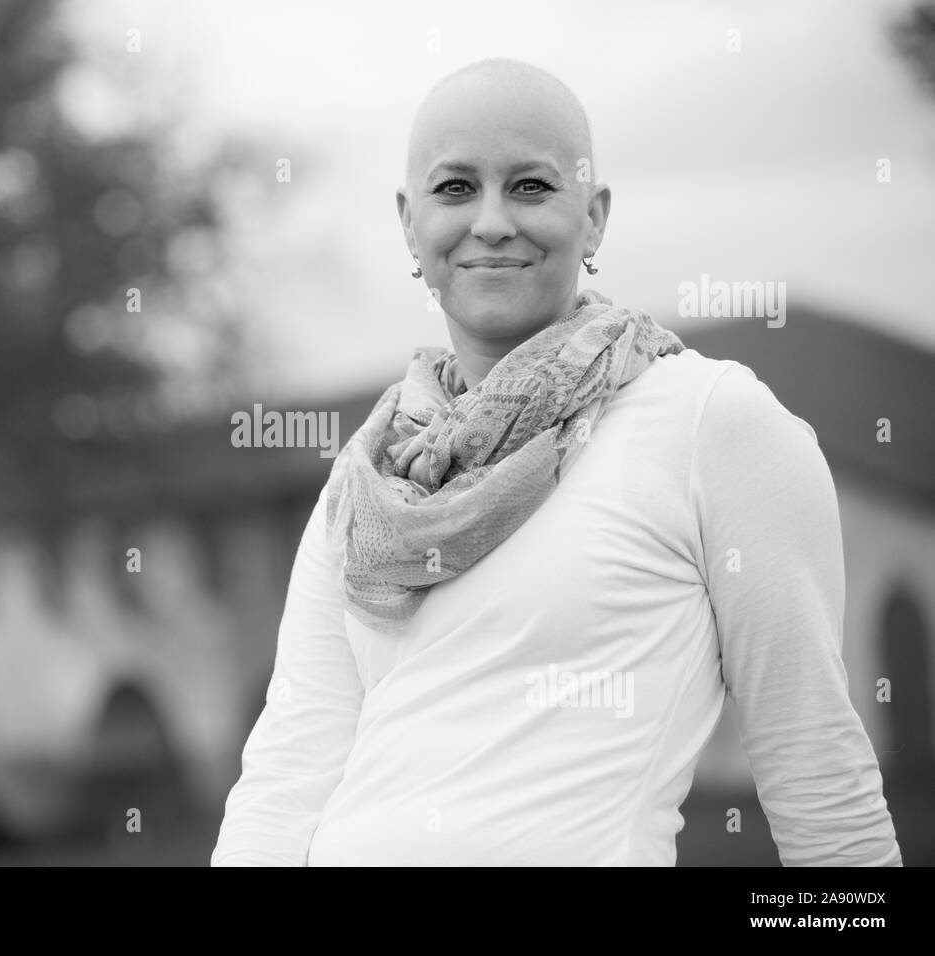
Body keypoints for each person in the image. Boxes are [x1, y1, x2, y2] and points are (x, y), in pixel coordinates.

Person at [210, 58, 903, 866]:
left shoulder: (712, 424)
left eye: (532, 186)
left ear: (596, 216)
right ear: (409, 222)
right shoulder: (368, 478)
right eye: (455, 188)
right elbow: (288, 773)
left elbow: (821, 780)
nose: (493, 221)